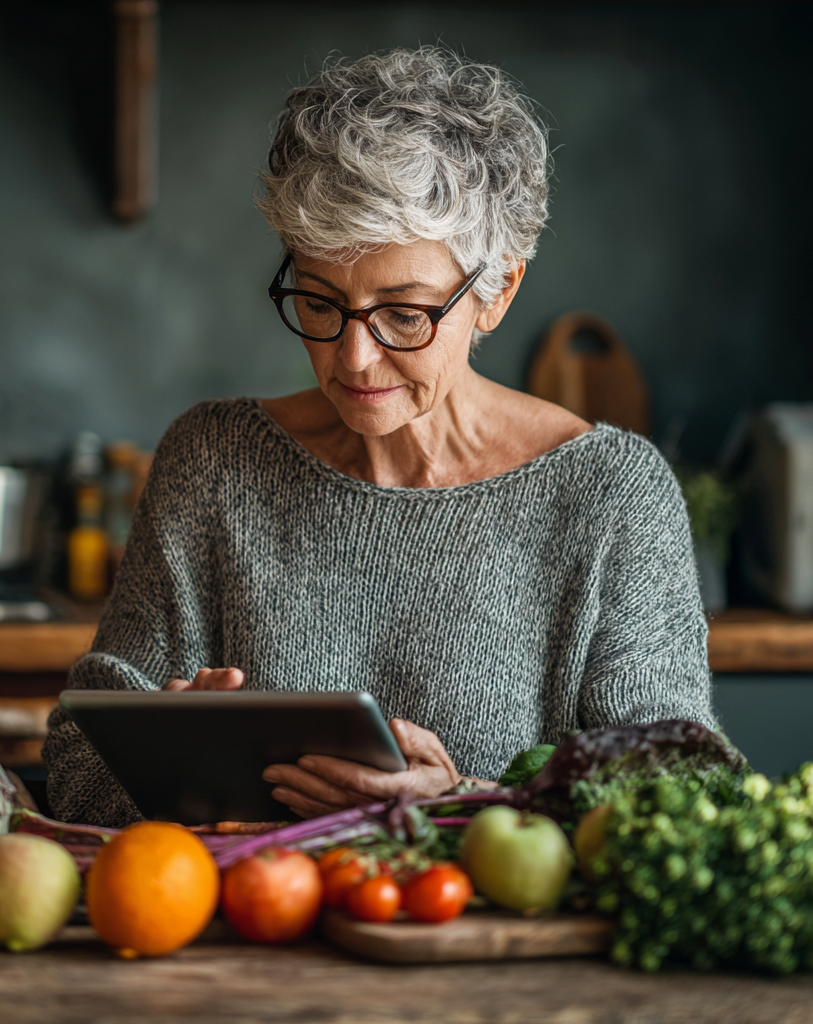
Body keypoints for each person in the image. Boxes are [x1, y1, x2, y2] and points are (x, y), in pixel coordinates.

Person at [43, 47, 715, 827]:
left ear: (497, 291)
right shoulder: (214, 462)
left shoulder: (612, 495)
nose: (353, 357)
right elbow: (75, 764)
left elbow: (682, 800)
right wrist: (163, 756)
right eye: (321, 301)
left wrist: (467, 807)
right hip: (250, 936)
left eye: (405, 312)